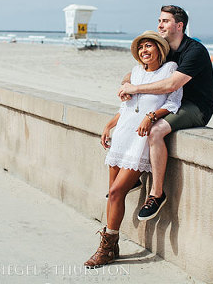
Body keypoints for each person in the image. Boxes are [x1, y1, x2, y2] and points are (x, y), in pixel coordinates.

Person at [84, 31, 182, 268]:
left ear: (159, 49)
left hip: (140, 139)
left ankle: (106, 247)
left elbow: (172, 103)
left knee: (117, 192)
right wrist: (109, 125)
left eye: (149, 46)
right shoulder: (135, 73)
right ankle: (112, 244)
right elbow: (126, 107)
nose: (144, 51)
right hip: (122, 135)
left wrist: (151, 117)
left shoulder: (169, 70)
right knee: (112, 191)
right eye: (141, 48)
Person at [118, 5, 213, 221]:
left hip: (194, 106)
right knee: (134, 119)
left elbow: (172, 84)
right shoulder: (167, 49)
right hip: (170, 102)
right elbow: (140, 69)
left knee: (155, 131)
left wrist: (135, 89)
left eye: (165, 21)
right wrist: (126, 84)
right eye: (159, 21)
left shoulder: (195, 51)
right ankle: (133, 174)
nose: (160, 25)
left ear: (179, 26)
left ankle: (157, 193)